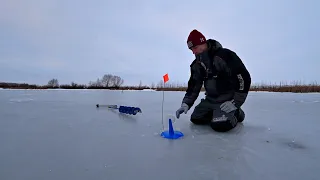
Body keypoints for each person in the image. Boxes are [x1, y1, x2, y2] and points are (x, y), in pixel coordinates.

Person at [176, 29, 251, 132]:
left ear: (203, 43)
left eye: (195, 48)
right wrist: (186, 104)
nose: (193, 52)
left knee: (220, 125)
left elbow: (243, 78)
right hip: (210, 100)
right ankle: (217, 113)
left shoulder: (224, 56)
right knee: (196, 119)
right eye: (191, 50)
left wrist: (235, 103)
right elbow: (194, 85)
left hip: (227, 100)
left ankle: (237, 113)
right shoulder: (197, 64)